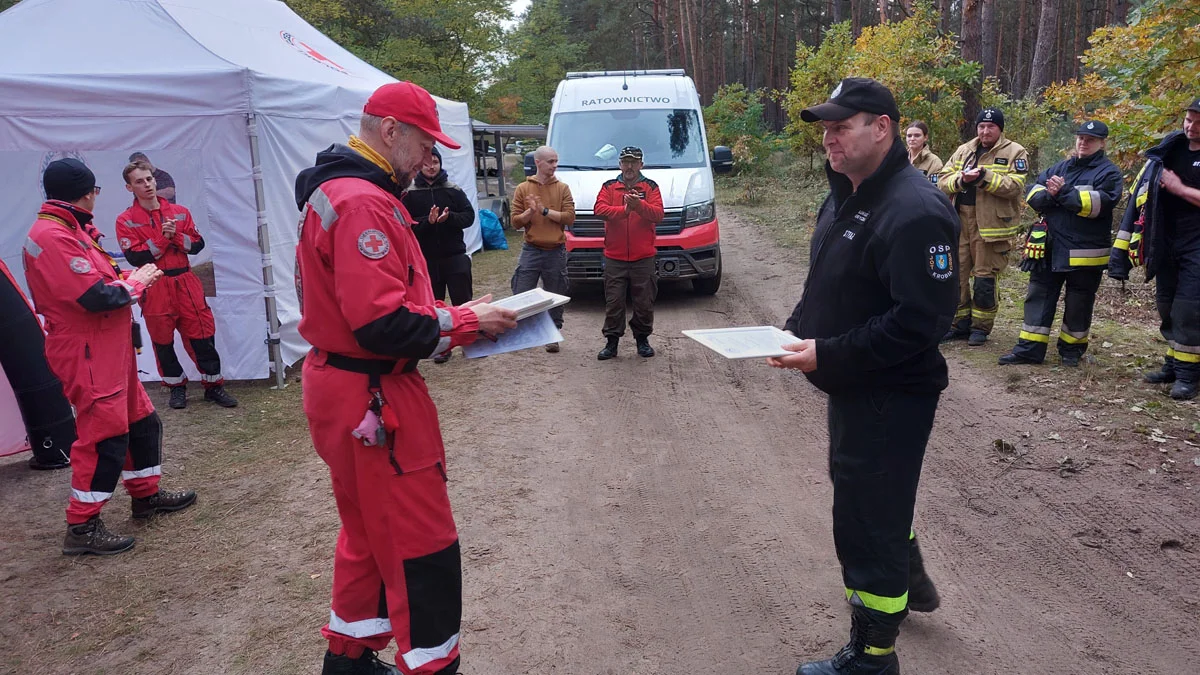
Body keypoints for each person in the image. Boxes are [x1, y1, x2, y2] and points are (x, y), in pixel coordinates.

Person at [293, 81, 517, 675]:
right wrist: (465, 321)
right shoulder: (364, 201)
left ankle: (349, 659)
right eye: (423, 145)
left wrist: (455, 315)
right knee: (423, 545)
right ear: (390, 131)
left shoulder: (346, 190)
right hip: (374, 394)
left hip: (343, 384)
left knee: (367, 534)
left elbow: (381, 303)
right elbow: (383, 324)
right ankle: (433, 666)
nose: (427, 160)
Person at [773, 78, 959, 675]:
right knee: (874, 493)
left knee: (866, 515)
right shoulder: (848, 193)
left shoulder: (915, 208)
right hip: (856, 382)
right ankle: (913, 583)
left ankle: (872, 655)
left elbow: (920, 323)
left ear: (881, 127)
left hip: (890, 391)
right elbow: (832, 281)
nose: (829, 137)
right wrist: (797, 328)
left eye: (841, 126)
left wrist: (827, 353)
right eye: (825, 128)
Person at [23, 158, 197, 556]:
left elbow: (99, 281)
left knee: (141, 423)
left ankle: (145, 495)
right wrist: (139, 281)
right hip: (87, 349)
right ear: (88, 193)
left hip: (106, 346)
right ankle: (82, 527)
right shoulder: (55, 236)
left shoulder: (71, 229)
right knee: (105, 436)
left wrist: (126, 282)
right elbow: (95, 296)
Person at [999, 121, 1123, 367]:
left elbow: (1098, 205)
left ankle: (1071, 352)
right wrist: (1052, 195)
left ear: (1102, 143)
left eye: (1089, 139)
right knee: (1038, 296)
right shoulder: (1059, 167)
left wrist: (1063, 193)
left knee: (1079, 303)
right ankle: (1029, 350)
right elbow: (1033, 194)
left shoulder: (1109, 173)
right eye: (1080, 137)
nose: (1082, 142)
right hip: (1049, 248)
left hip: (1084, 253)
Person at [115, 161, 238, 409]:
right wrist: (163, 238)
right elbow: (136, 258)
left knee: (202, 334)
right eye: (139, 181)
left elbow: (198, 244)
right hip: (155, 284)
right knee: (163, 341)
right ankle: (176, 388)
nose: (147, 184)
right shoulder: (126, 220)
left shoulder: (180, 211)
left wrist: (177, 237)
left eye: (149, 179)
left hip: (185, 281)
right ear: (129, 187)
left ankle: (214, 386)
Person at [1110, 97, 1200, 399]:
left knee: (1189, 310)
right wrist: (1121, 254)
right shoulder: (1166, 152)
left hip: (1197, 247)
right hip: (1166, 243)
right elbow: (1138, 200)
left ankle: (1188, 377)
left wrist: (1178, 188)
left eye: (1198, 122)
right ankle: (1175, 363)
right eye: (1188, 120)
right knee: (1167, 305)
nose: (1191, 126)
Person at [938, 108, 1030, 346]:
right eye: (981, 126)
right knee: (955, 276)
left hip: (991, 225)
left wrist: (983, 177)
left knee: (984, 279)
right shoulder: (964, 150)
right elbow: (942, 180)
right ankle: (959, 323)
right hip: (960, 221)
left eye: (991, 126)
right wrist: (962, 180)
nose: (985, 130)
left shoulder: (1015, 151)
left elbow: (1015, 186)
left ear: (1000, 129)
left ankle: (980, 327)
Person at [402, 146, 476, 363]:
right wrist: (428, 222)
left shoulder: (453, 189)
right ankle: (442, 348)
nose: (431, 166)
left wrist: (449, 218)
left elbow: (469, 217)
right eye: (426, 163)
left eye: (435, 162)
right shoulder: (410, 193)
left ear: (440, 164)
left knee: (463, 301)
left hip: (455, 256)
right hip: (427, 260)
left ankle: (470, 343)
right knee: (434, 305)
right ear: (420, 165)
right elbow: (407, 226)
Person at [594, 146, 665, 360]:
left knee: (644, 302)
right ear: (619, 164)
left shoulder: (650, 187)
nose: (630, 166)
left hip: (643, 257)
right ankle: (612, 342)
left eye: (634, 162)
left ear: (641, 165)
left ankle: (642, 340)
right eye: (626, 162)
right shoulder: (609, 186)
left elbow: (659, 214)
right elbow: (599, 210)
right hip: (614, 256)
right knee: (614, 302)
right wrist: (625, 211)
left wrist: (639, 205)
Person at [510, 145, 575, 353]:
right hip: (531, 248)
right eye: (550, 161)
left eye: (556, 161)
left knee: (555, 292)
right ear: (538, 163)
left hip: (555, 249)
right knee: (521, 290)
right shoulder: (522, 188)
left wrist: (544, 211)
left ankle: (552, 333)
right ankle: (525, 331)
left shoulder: (562, 188)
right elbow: (515, 223)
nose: (554, 165)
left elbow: (569, 218)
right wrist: (530, 211)